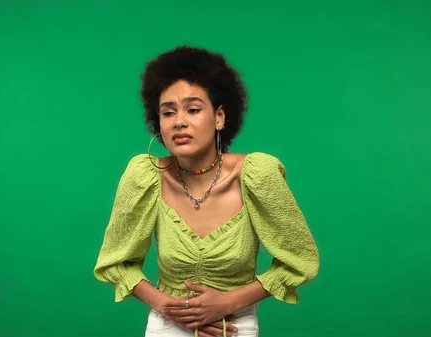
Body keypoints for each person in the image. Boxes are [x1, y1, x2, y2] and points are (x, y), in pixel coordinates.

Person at [93, 45, 319, 337]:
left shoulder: (257, 175)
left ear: (220, 117)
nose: (179, 121)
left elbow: (300, 260)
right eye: (168, 112)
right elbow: (115, 262)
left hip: (233, 325)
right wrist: (169, 307)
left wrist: (227, 302)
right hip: (166, 325)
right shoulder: (145, 177)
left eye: (193, 109)